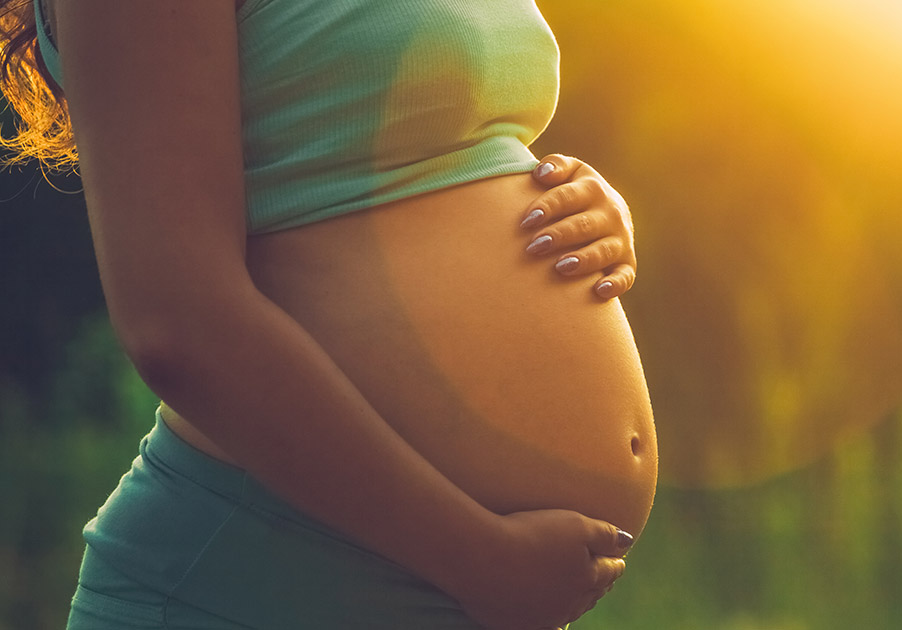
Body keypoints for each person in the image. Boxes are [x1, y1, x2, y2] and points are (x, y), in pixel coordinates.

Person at [0, 0, 658, 628]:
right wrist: (477, 559)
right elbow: (176, 324)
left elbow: (425, 137)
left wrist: (586, 202)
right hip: (258, 590)